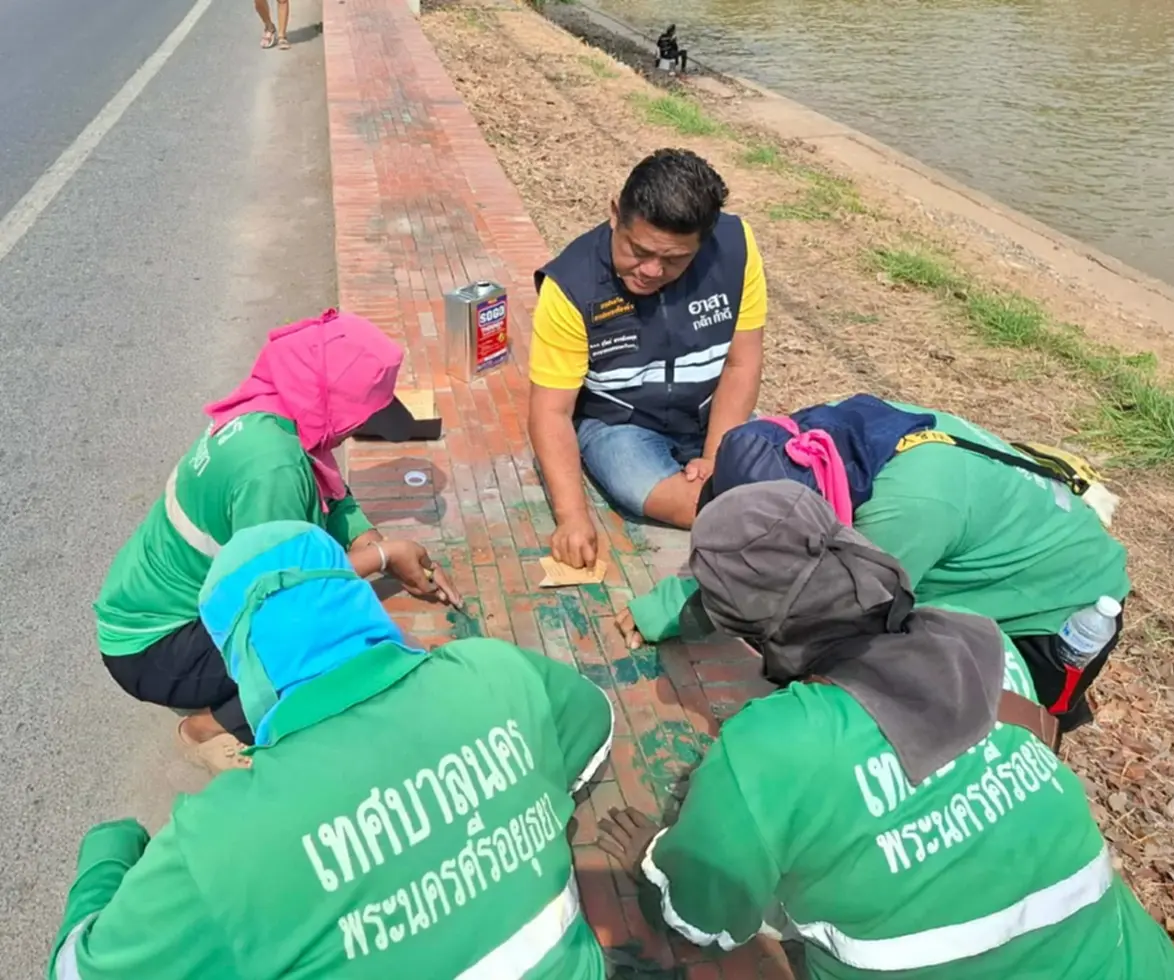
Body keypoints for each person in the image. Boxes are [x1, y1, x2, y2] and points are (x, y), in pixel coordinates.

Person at [598, 482, 1174, 980]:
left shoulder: (772, 746)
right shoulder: (983, 641)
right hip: (1134, 958)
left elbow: (701, 920)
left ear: (740, 624)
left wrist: (652, 864)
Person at [51, 521, 615, 979]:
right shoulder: (497, 673)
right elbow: (595, 725)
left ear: (240, 656)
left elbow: (79, 970)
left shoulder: (219, 846)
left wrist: (110, 848)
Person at [94, 309, 460, 772]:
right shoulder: (273, 468)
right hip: (157, 649)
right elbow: (281, 591)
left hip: (147, 610)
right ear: (331, 399)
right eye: (357, 417)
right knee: (329, 647)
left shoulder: (275, 408)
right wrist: (386, 555)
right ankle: (210, 727)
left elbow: (338, 501)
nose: (350, 434)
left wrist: (378, 546)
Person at [625, 394, 1129, 732]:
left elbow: (823, 621)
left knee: (991, 732)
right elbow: (751, 549)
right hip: (994, 540)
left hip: (1062, 608)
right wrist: (668, 607)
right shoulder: (827, 440)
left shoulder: (898, 519)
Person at [528, 148, 767, 568]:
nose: (651, 271)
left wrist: (714, 456)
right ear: (615, 213)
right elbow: (551, 412)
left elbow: (741, 363)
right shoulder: (570, 286)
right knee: (690, 499)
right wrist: (572, 518)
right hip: (620, 426)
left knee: (785, 467)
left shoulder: (737, 248)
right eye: (638, 250)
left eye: (675, 259)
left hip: (712, 412)